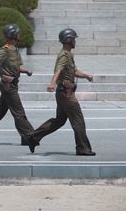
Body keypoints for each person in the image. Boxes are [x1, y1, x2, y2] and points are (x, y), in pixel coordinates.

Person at [27, 28, 95, 156]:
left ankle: (33, 137)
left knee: (59, 121)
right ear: (69, 40)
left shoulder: (68, 54)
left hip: (63, 93)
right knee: (78, 120)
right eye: (73, 39)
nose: (75, 41)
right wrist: (52, 83)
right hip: (66, 94)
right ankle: (82, 148)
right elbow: (58, 70)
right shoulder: (64, 55)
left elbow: (74, 71)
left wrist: (86, 76)